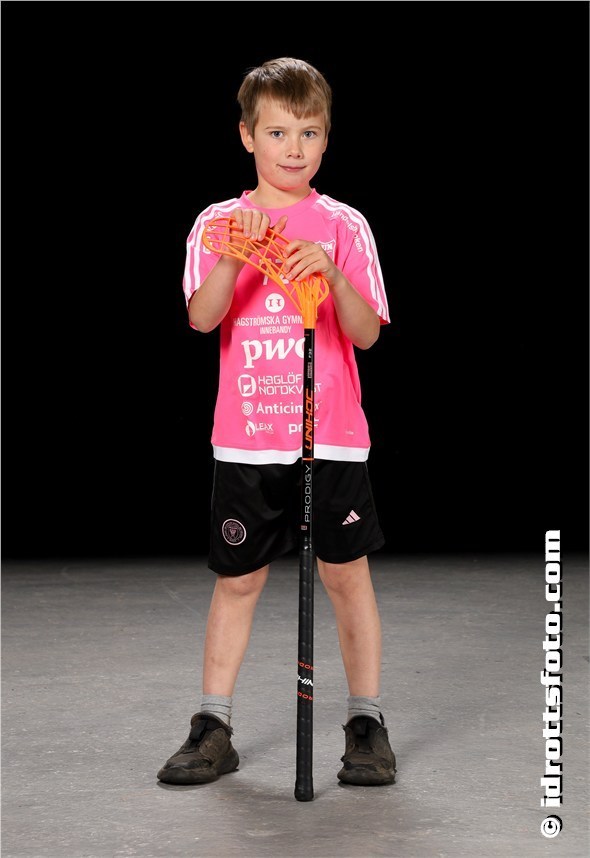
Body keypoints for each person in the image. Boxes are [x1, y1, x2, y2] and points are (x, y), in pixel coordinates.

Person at [157, 57, 396, 788]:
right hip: (248, 436)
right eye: (277, 132)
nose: (294, 148)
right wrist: (235, 257)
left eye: (309, 132)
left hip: (331, 435)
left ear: (326, 139)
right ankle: (212, 724)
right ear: (246, 135)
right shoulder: (217, 223)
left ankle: (366, 724)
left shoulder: (344, 225)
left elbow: (366, 333)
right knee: (238, 581)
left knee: (345, 576)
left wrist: (332, 274)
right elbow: (203, 317)